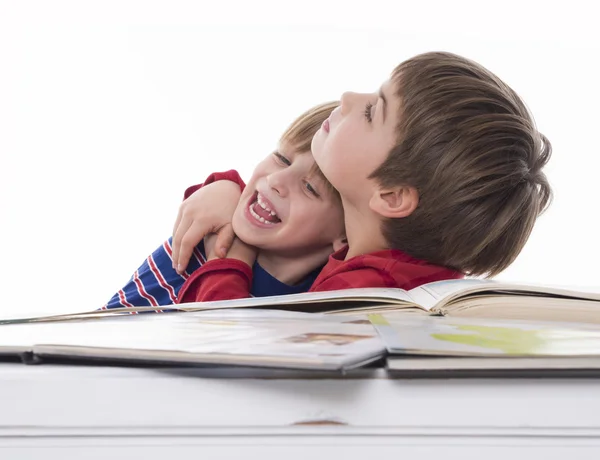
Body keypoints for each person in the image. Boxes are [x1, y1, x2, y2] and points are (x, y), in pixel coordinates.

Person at [171, 51, 551, 302]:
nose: (348, 97)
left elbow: (227, 340)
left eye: (372, 112)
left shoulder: (367, 292)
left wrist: (235, 254)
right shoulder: (371, 259)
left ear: (391, 196)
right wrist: (226, 187)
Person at [102, 101, 347, 309]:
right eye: (282, 159)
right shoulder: (206, 234)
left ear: (345, 237)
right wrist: (224, 183)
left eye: (309, 187)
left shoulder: (320, 305)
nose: (275, 180)